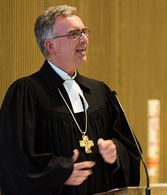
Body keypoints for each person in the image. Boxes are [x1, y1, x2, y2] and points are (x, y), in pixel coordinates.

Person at [0, 5, 141, 195]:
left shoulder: (100, 92)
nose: (84, 39)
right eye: (74, 34)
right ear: (50, 45)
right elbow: (12, 161)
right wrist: (58, 173)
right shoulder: (27, 93)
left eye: (84, 31)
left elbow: (131, 148)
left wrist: (116, 151)